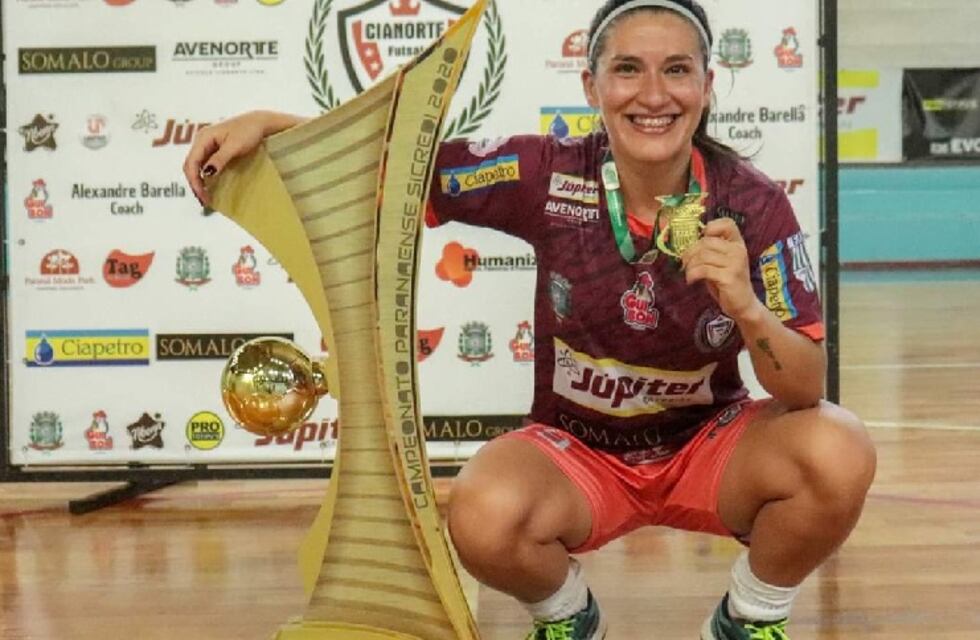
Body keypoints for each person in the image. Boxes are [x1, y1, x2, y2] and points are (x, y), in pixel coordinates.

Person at [183, 1, 876, 638]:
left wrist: (746, 306)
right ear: (591, 86)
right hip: (580, 452)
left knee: (838, 448)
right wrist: (273, 124)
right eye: (627, 69)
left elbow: (804, 388)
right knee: (482, 513)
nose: (654, 94)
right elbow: (401, 173)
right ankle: (569, 619)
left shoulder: (750, 204)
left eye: (677, 70)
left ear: (707, 84)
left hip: (707, 449)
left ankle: (748, 619)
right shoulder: (549, 174)